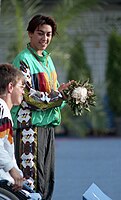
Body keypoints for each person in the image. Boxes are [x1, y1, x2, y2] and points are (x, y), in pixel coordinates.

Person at [11, 14, 72, 200]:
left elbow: (52, 91)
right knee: (30, 183)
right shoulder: (23, 60)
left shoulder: (47, 60)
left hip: (47, 126)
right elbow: (28, 97)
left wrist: (66, 94)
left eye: (48, 34)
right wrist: (59, 96)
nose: (44, 38)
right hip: (29, 129)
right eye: (40, 33)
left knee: (47, 180)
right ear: (30, 34)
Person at [0, 63, 25, 192]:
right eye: (21, 86)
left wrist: (17, 173)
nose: (23, 91)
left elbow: (7, 152)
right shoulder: (1, 109)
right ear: (10, 87)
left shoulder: (5, 111)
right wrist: (12, 170)